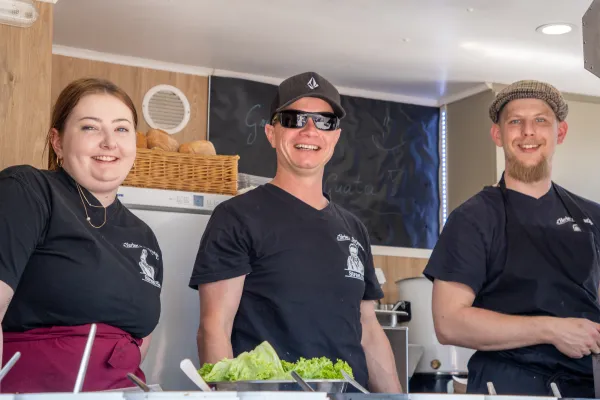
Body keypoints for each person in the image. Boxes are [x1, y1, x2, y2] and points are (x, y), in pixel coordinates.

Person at [189, 72, 402, 393]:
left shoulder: (354, 228)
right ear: (271, 133)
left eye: (324, 122)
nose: (310, 130)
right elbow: (214, 328)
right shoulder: (236, 217)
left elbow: (368, 328)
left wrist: (396, 399)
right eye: (294, 119)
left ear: (336, 137)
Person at [423, 80, 600, 398]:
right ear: (498, 135)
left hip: (588, 387)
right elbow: (449, 323)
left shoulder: (592, 217)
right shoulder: (473, 219)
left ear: (560, 133)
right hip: (508, 387)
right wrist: (550, 330)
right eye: (515, 121)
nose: (528, 131)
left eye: (540, 120)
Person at [0, 78, 163, 392]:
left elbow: (137, 342)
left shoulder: (144, 235)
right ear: (57, 141)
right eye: (90, 127)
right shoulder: (27, 191)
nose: (109, 142)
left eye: (121, 129)